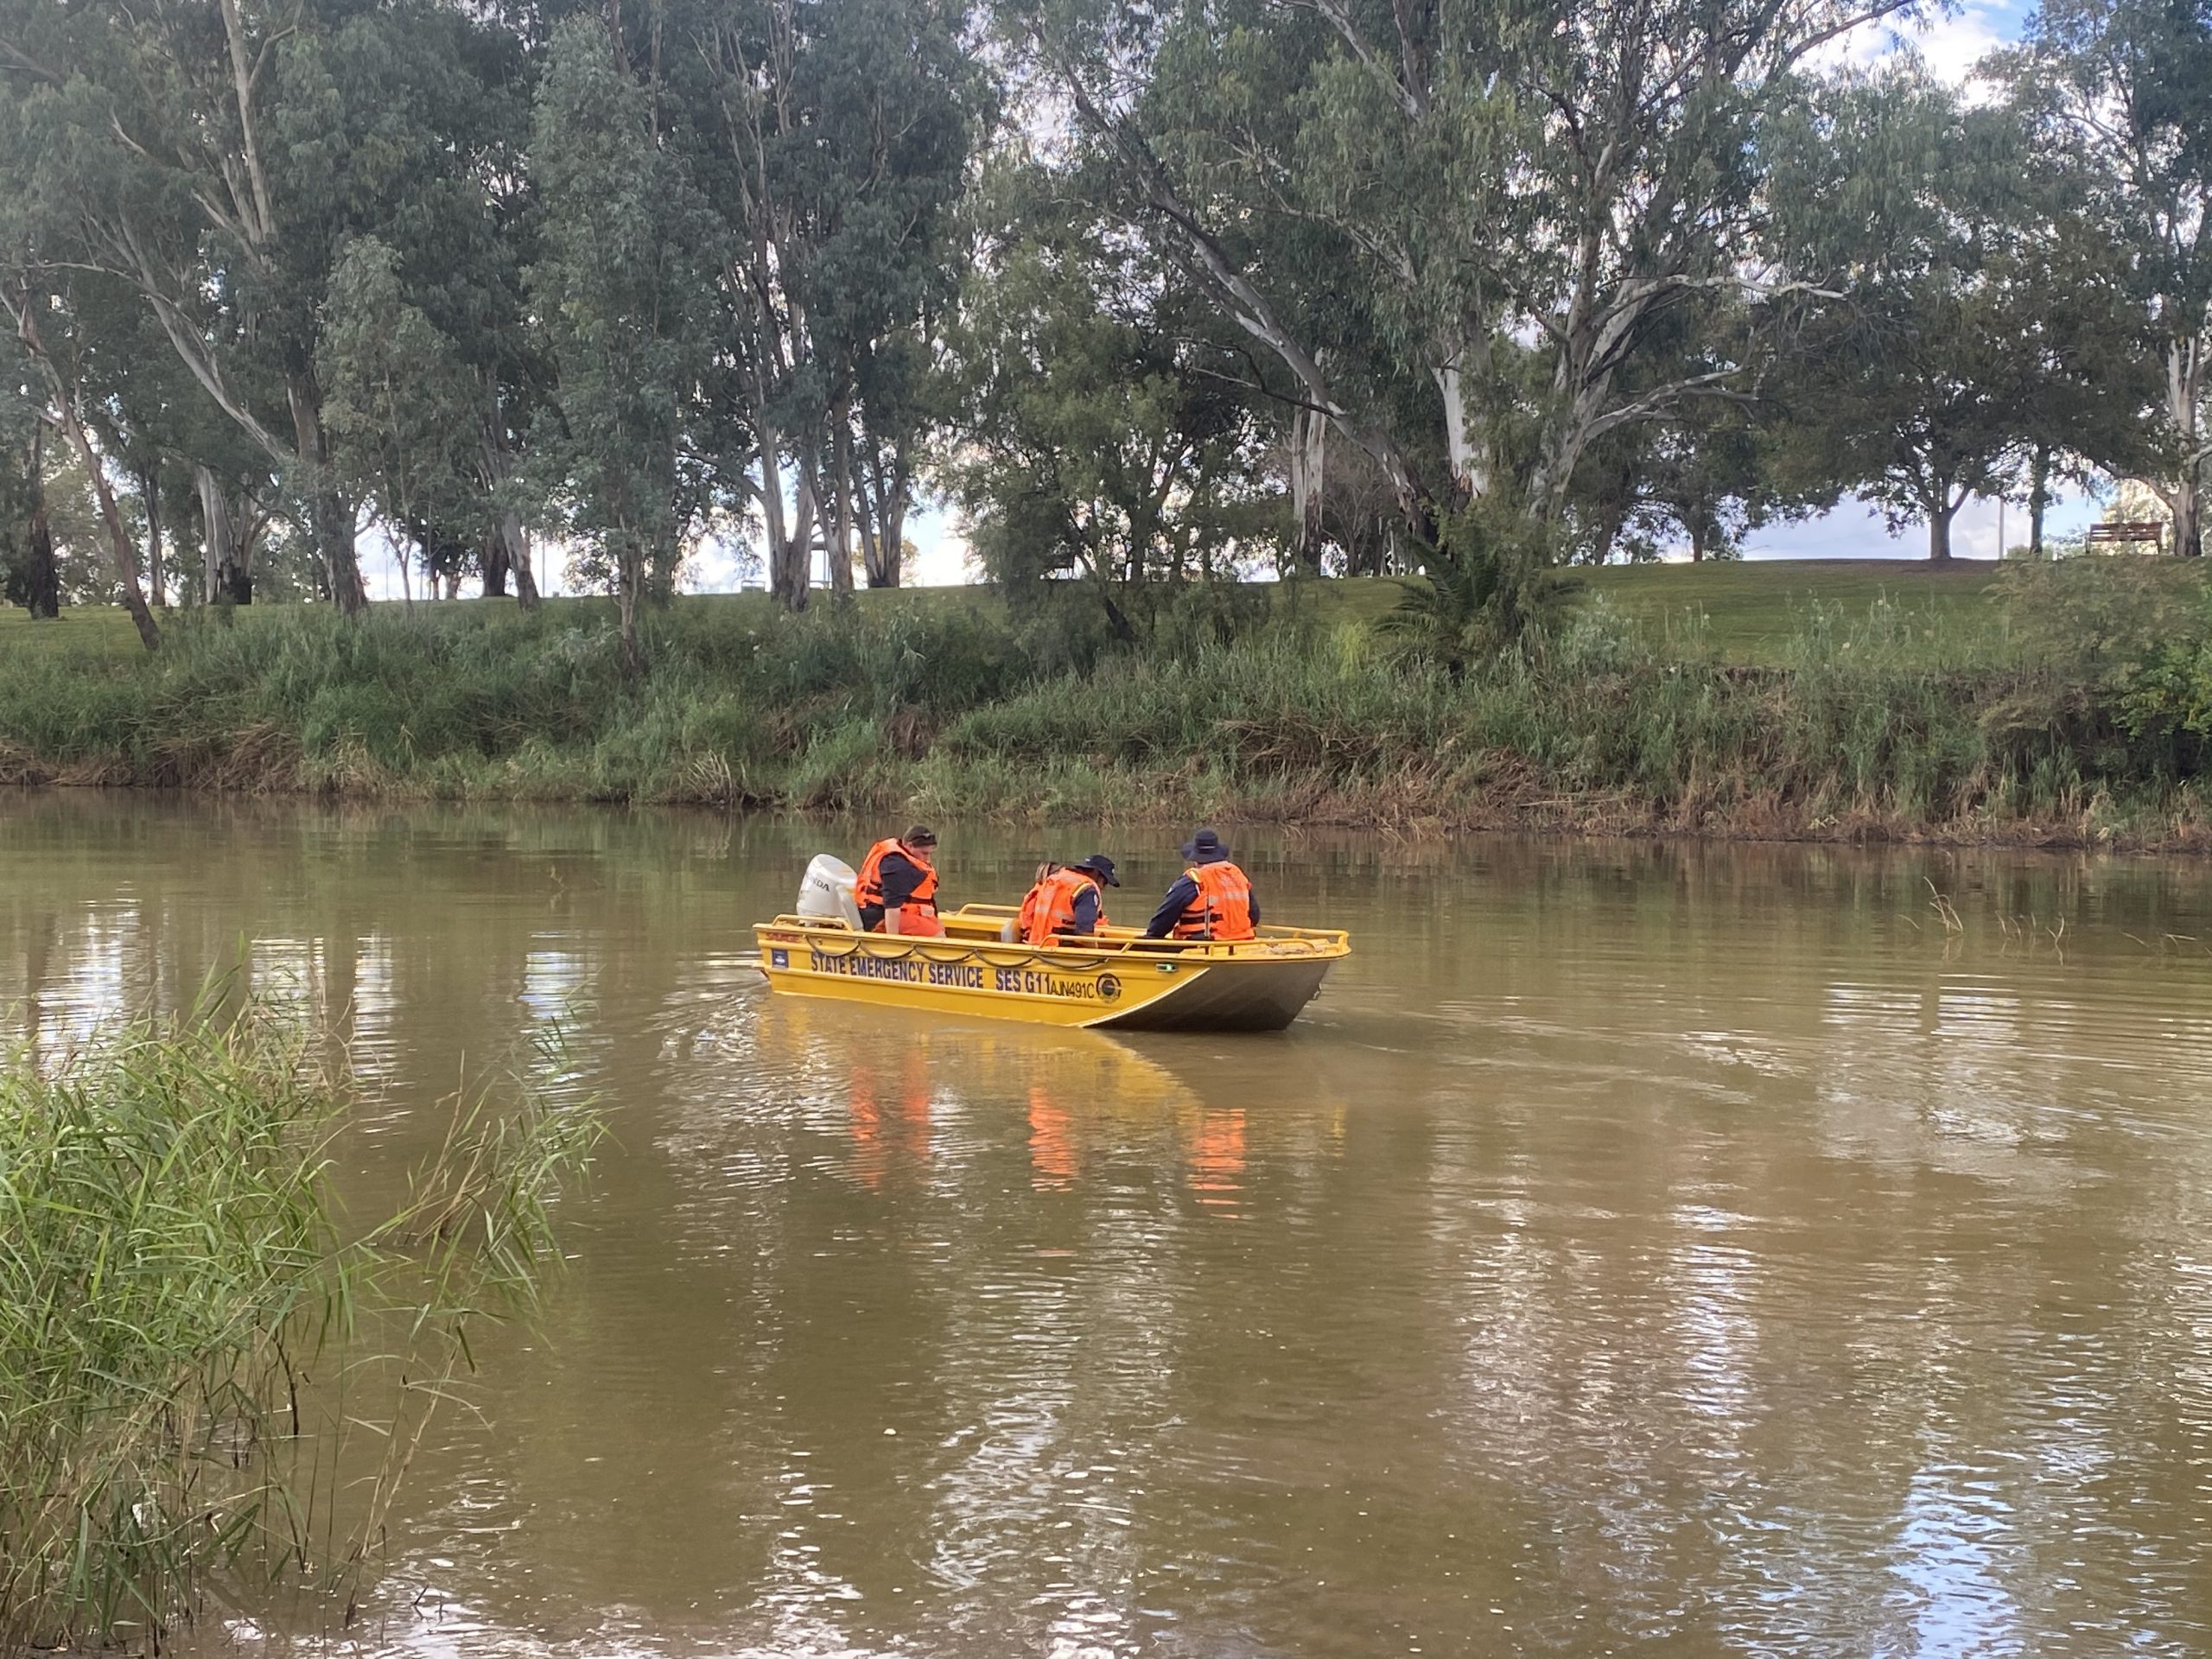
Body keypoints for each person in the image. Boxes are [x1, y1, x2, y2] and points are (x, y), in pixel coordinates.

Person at [1143, 830, 1257, 941]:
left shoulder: (1193, 880)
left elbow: (1164, 919)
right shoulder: (1238, 876)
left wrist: (1151, 937)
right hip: (1243, 942)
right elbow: (1255, 916)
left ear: (1195, 858)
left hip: (1204, 945)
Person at [855, 825, 944, 937]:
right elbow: (892, 906)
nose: (928, 859)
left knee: (940, 929)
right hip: (880, 917)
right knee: (938, 936)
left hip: (903, 912)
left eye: (930, 854)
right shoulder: (897, 866)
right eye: (924, 853)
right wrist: (894, 943)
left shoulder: (908, 859)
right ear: (910, 846)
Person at [1018, 855, 1121, 944]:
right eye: (1105, 882)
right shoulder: (1086, 890)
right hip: (1059, 948)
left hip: (1036, 942)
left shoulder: (1055, 879)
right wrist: (1098, 953)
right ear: (1095, 873)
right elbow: (1084, 934)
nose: (1103, 888)